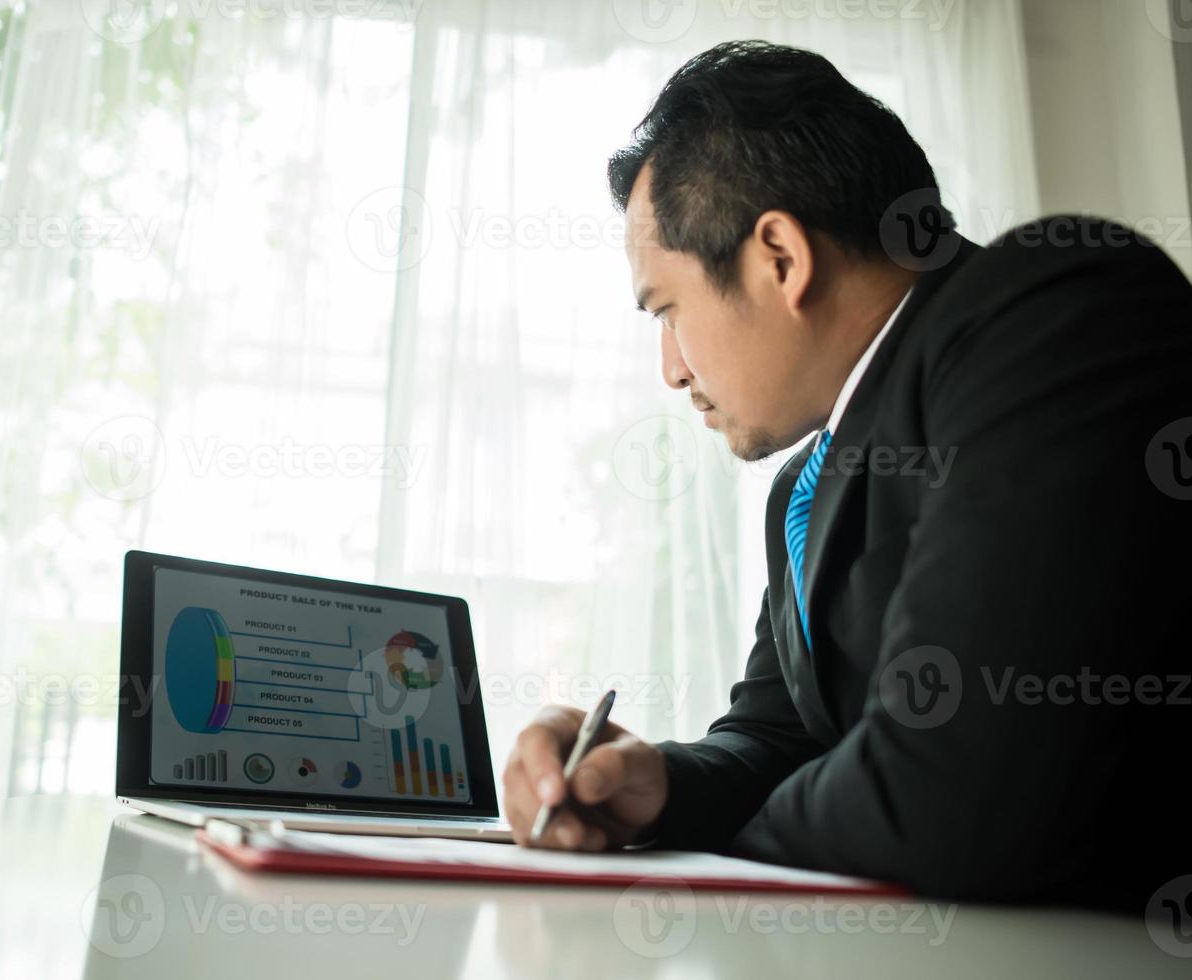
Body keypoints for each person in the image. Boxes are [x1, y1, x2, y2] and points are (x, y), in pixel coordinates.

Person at [502, 40, 1192, 910]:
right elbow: (776, 740)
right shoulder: (803, 488)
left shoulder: (1061, 307)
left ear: (780, 259)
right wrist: (653, 788)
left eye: (667, 309)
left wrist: (723, 847)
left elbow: (961, 787)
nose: (670, 370)